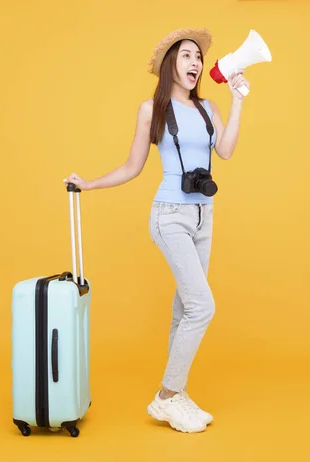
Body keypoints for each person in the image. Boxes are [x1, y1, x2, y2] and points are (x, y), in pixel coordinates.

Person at [64, 27, 249, 433]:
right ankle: (167, 396)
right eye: (186, 56)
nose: (196, 63)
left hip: (204, 215)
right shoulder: (152, 109)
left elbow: (227, 151)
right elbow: (132, 166)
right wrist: (90, 183)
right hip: (170, 215)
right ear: (170, 64)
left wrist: (236, 102)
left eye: (198, 57)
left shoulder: (209, 109)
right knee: (202, 306)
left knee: (185, 307)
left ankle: (177, 396)